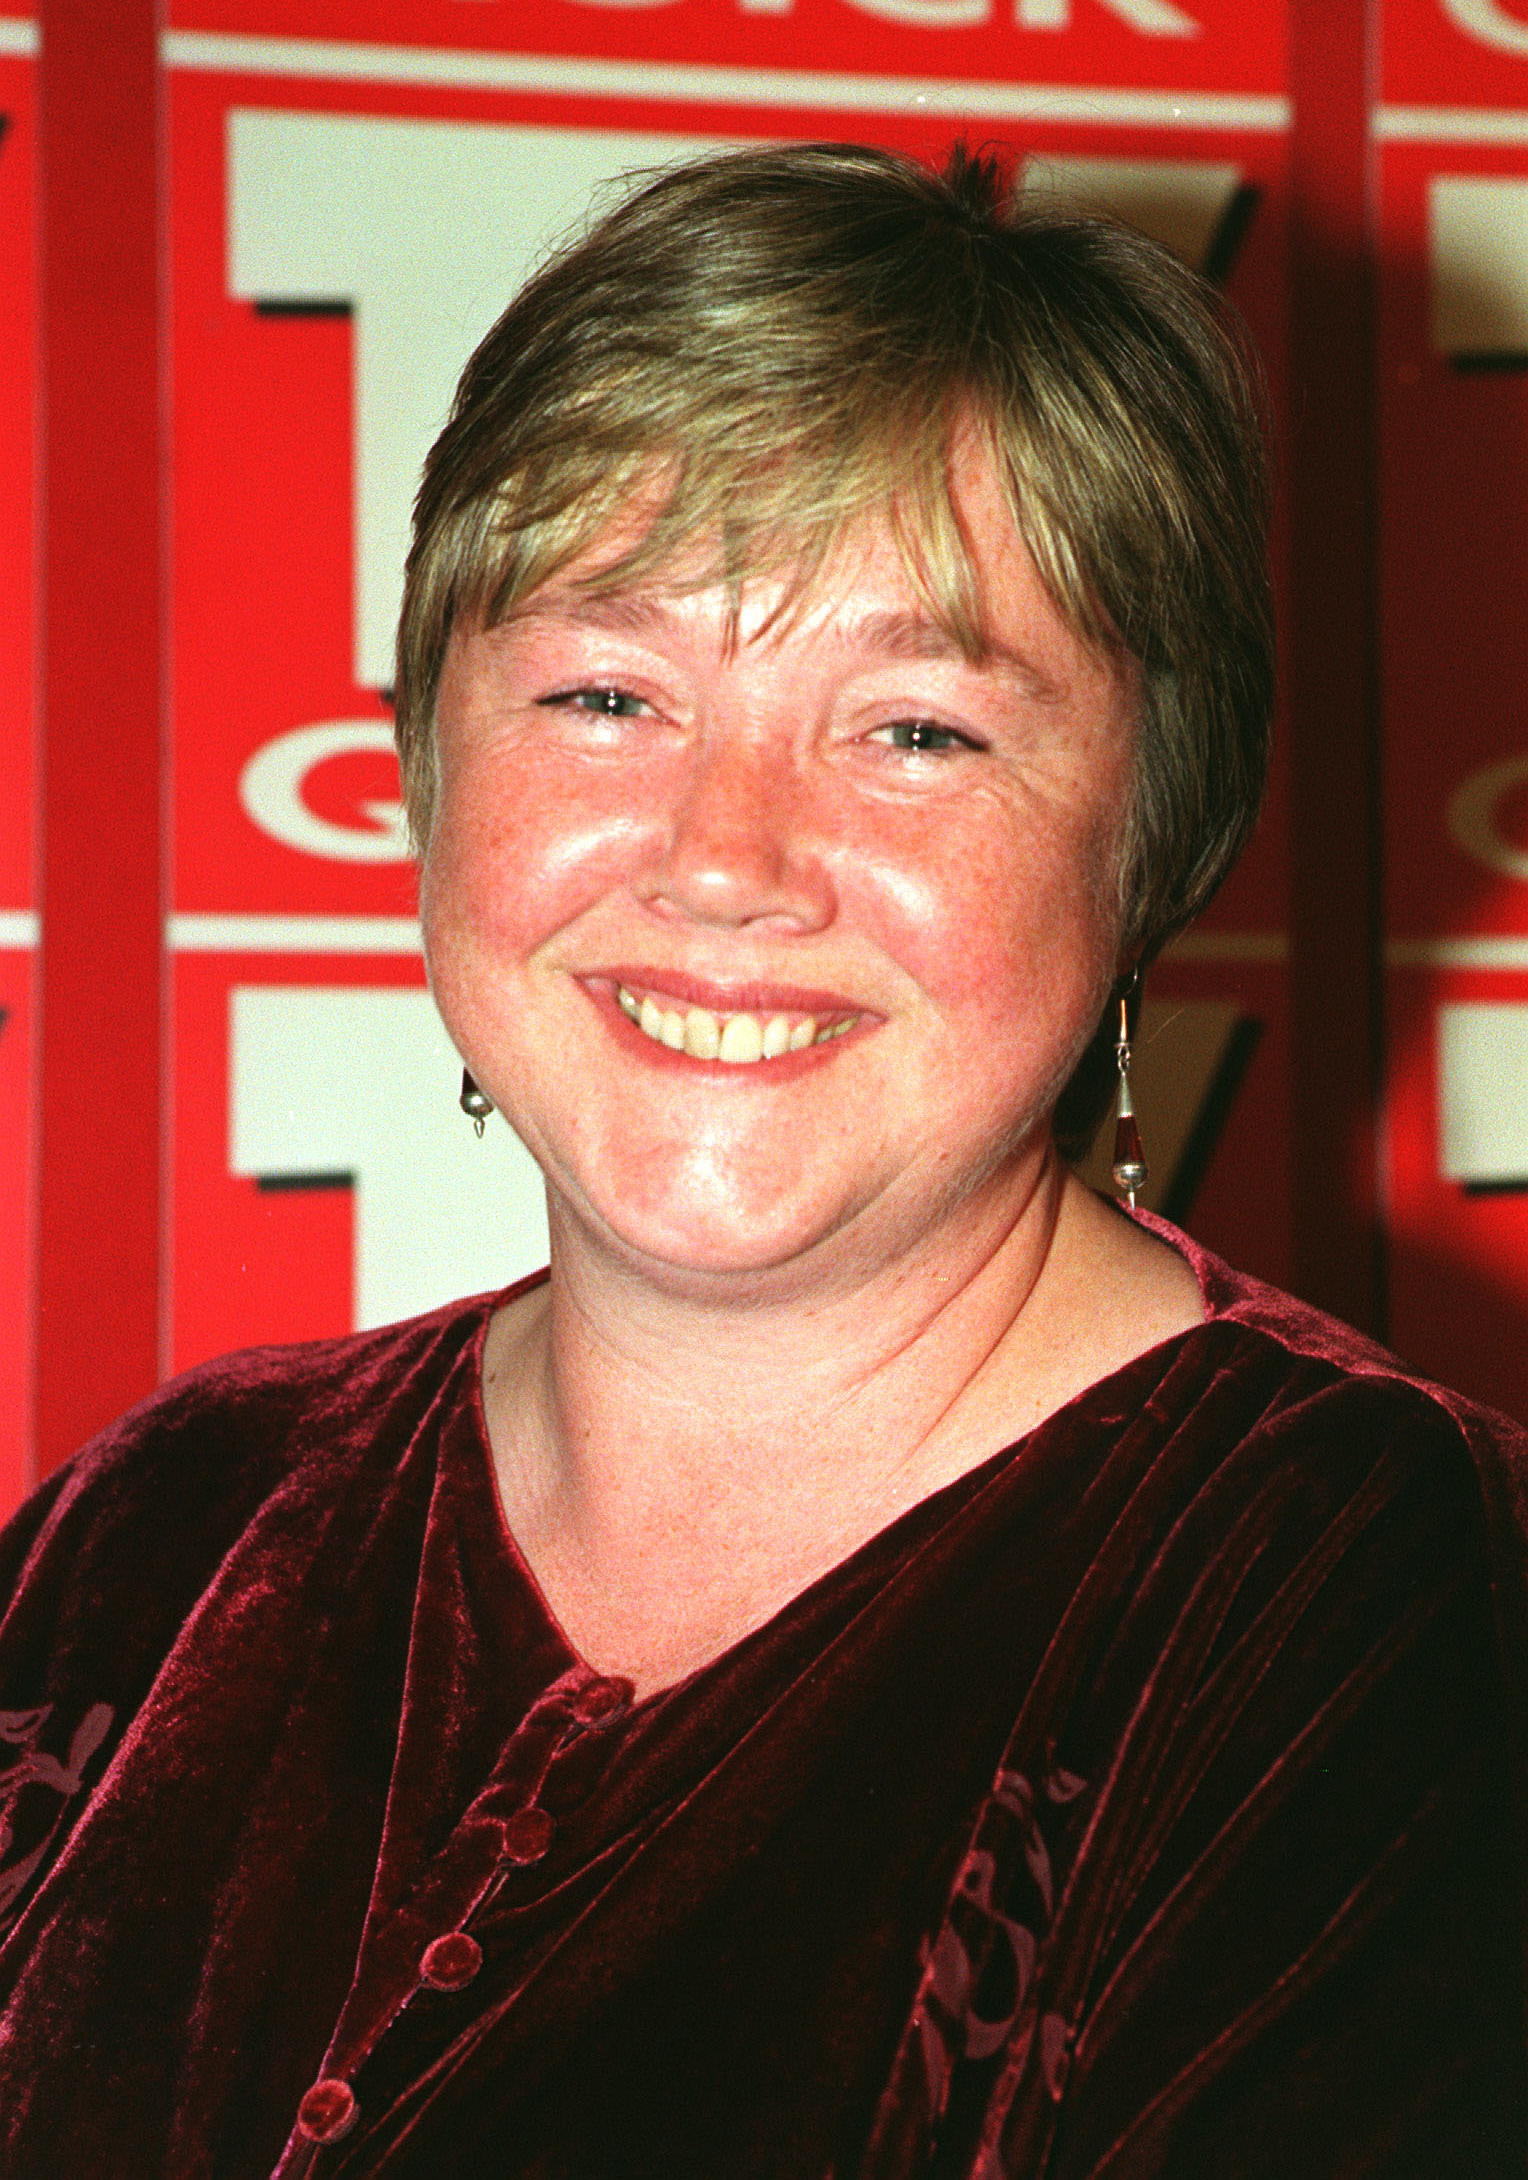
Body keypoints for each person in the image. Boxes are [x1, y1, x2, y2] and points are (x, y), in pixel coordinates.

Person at [0, 142, 1523, 2178]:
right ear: (426, 772)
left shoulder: (1361, 1585)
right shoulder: (158, 1530)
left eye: (915, 730)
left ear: (1146, 840)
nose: (723, 859)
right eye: (606, 691)